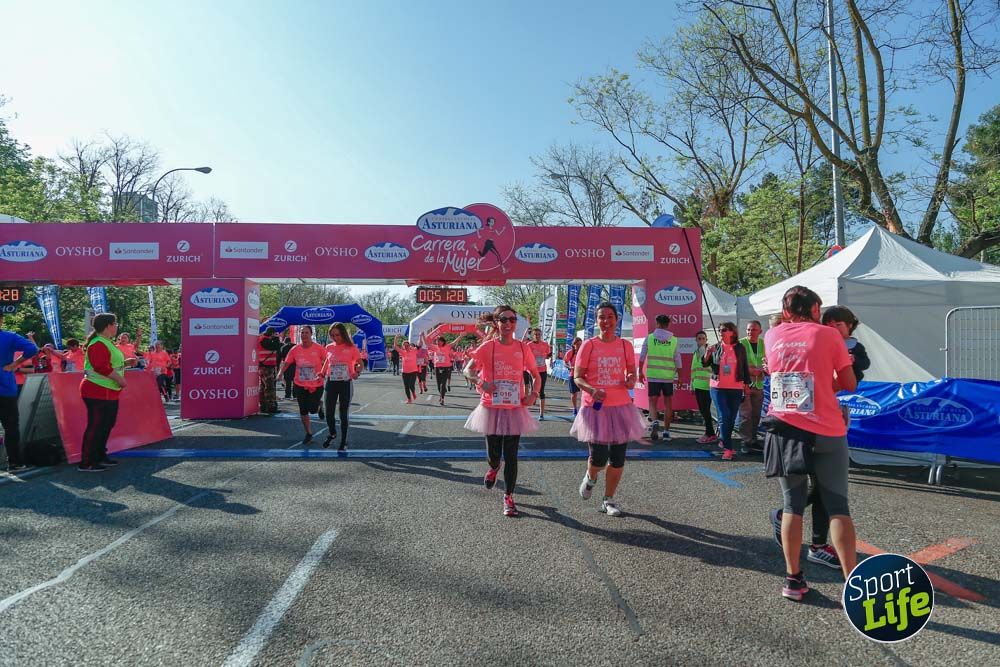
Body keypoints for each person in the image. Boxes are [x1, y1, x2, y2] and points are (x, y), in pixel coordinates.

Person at [765, 286, 858, 601]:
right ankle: (853, 585)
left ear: (786, 311)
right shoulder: (828, 335)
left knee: (792, 506)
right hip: (826, 430)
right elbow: (848, 383)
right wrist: (825, 381)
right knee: (838, 507)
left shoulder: (771, 336)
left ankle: (793, 581)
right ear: (817, 309)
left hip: (784, 427)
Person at [463, 305, 539, 517]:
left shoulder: (523, 348)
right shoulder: (488, 347)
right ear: (496, 323)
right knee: (494, 455)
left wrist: (533, 394)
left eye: (512, 320)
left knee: (512, 455)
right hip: (491, 407)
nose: (508, 324)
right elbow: (467, 369)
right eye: (503, 320)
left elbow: (536, 374)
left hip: (515, 408)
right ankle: (494, 468)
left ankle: (509, 496)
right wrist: (481, 382)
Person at [572, 302, 646, 517]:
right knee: (598, 458)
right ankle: (591, 476)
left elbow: (632, 373)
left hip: (621, 407)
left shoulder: (624, 345)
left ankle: (608, 499)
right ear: (596, 321)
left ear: (617, 319)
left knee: (618, 458)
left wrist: (631, 380)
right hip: (595, 408)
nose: (606, 321)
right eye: (601, 317)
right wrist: (592, 389)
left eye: (609, 317)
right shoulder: (589, 345)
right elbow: (577, 377)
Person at [79, 313, 129, 472]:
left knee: (106, 425)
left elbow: (109, 365)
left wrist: (126, 364)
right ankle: (87, 461)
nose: (117, 327)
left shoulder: (107, 342)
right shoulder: (98, 343)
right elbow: (101, 367)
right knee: (96, 426)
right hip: (97, 389)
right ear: (108, 325)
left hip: (108, 390)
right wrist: (120, 380)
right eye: (115, 324)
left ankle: (99, 455)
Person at [702, 322, 750, 461]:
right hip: (718, 387)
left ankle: (724, 439)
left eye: (723, 330)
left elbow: (744, 367)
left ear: (732, 332)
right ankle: (728, 449)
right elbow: (705, 363)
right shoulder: (716, 347)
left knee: (730, 417)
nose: (721, 332)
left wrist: (746, 385)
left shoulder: (740, 348)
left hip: (735, 387)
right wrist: (707, 353)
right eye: (720, 330)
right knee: (723, 416)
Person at [0, 315, 38, 472]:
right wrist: (14, 364)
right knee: (11, 426)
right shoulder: (9, 336)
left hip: (6, 387)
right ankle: (14, 462)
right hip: (5, 387)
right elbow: (32, 349)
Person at [277, 325, 326, 444]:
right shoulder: (295, 349)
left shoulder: (319, 348)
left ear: (311, 334)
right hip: (299, 383)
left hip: (316, 384)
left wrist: (324, 372)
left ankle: (319, 405)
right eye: (302, 333)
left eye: (306, 333)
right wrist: (280, 374)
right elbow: (286, 362)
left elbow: (327, 361)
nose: (304, 335)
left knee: (312, 410)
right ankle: (308, 433)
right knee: (303, 410)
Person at [638, 314, 682, 441]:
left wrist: (640, 371)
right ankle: (667, 432)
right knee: (668, 403)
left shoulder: (650, 338)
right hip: (668, 376)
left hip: (653, 376)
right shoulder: (673, 340)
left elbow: (642, 357)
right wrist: (680, 376)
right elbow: (677, 359)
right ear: (668, 325)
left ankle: (655, 422)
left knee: (652, 401)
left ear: (657, 324)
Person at [321, 323, 363, 450]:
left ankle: (343, 441)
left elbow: (360, 363)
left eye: (337, 335)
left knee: (343, 413)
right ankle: (333, 433)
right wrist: (322, 372)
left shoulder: (351, 347)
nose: (335, 337)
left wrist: (357, 372)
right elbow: (327, 362)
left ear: (343, 334)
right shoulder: (329, 347)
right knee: (328, 412)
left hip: (345, 383)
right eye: (332, 335)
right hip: (331, 382)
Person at [738, 320, 766, 453]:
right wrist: (750, 370)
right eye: (749, 329)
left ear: (760, 331)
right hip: (745, 385)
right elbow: (737, 363)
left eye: (754, 330)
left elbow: (768, 361)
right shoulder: (741, 343)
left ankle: (753, 440)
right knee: (745, 414)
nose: (750, 332)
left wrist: (762, 370)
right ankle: (745, 441)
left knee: (756, 414)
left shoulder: (764, 344)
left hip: (759, 384)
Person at [691, 330, 717, 444]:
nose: (701, 340)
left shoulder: (710, 352)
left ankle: (710, 433)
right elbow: (693, 370)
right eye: (699, 338)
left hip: (707, 385)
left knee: (706, 411)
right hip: (698, 385)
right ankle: (709, 432)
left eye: (703, 338)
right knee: (703, 410)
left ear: (706, 339)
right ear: (696, 340)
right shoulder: (696, 352)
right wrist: (692, 385)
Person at [525, 328, 552, 420]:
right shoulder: (529, 345)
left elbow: (549, 354)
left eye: (539, 334)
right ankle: (528, 410)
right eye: (535, 334)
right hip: (532, 371)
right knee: (532, 390)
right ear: (533, 336)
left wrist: (546, 358)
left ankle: (541, 414)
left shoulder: (545, 345)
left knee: (541, 392)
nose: (537, 336)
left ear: (541, 335)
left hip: (542, 370)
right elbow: (526, 357)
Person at [422, 333, 454, 406]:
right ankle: (441, 393)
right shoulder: (435, 347)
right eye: (437, 341)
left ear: (443, 342)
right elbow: (427, 344)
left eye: (439, 341)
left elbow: (454, 342)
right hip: (437, 367)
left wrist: (461, 336)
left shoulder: (447, 347)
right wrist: (423, 336)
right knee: (438, 385)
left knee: (443, 384)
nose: (438, 342)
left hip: (446, 367)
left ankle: (442, 398)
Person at [256, 327, 281, 414]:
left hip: (263, 365)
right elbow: (276, 346)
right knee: (269, 387)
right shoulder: (265, 340)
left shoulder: (262, 339)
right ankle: (271, 406)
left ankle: (263, 406)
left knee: (263, 387)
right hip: (267, 366)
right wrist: (276, 338)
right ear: (272, 333)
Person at [393, 336, 420, 403]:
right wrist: (396, 338)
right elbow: (395, 347)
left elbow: (419, 345)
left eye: (407, 345)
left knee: (411, 385)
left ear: (409, 345)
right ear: (403, 347)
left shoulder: (414, 350)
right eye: (404, 346)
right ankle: (409, 399)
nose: (406, 347)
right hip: (405, 372)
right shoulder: (403, 352)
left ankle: (413, 392)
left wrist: (420, 337)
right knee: (406, 386)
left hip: (413, 371)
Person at [564, 337, 582, 416]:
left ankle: (582, 408)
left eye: (580, 344)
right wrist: (570, 367)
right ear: (573, 345)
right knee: (574, 394)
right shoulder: (570, 352)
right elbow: (565, 362)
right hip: (572, 375)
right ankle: (575, 408)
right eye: (577, 344)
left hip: (582, 375)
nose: (579, 346)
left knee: (584, 393)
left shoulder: (583, 352)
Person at [279, 335, 296, 399]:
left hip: (286, 365)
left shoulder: (283, 347)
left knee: (287, 380)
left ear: (285, 341)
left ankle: (287, 395)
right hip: (295, 365)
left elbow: (281, 356)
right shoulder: (295, 346)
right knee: (295, 380)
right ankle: (295, 394)